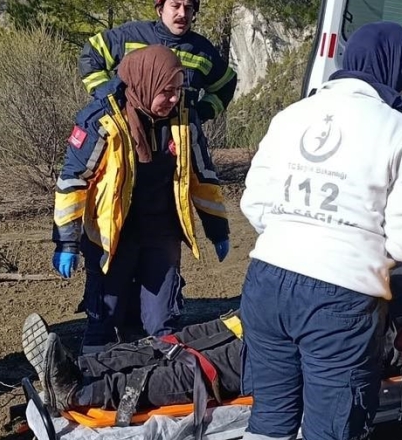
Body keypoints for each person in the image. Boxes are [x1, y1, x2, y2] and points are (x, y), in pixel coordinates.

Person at [237, 21, 402, 440]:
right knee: (332, 428)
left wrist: (296, 232)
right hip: (342, 294)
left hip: (267, 279)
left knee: (269, 420)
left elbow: (254, 204)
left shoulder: (292, 114)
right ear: (400, 69)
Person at [52, 45, 230, 354]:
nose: (174, 99)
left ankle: (164, 376)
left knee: (163, 323)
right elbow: (73, 181)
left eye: (178, 90)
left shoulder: (184, 119)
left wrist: (217, 229)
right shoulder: (102, 120)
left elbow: (202, 175)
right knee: (105, 318)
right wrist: (66, 242)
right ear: (144, 85)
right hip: (112, 236)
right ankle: (89, 373)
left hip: (162, 231)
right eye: (167, 91)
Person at [21, 311, 243, 419]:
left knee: (194, 370)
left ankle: (81, 392)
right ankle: (81, 368)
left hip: (260, 356)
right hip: (252, 320)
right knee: (166, 344)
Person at [78, 0, 237, 125]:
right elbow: (91, 54)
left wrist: (200, 113)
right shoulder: (130, 35)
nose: (182, 13)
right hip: (130, 132)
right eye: (175, 6)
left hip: (177, 140)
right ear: (160, 9)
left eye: (188, 8)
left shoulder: (203, 51)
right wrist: (108, 97)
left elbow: (226, 84)